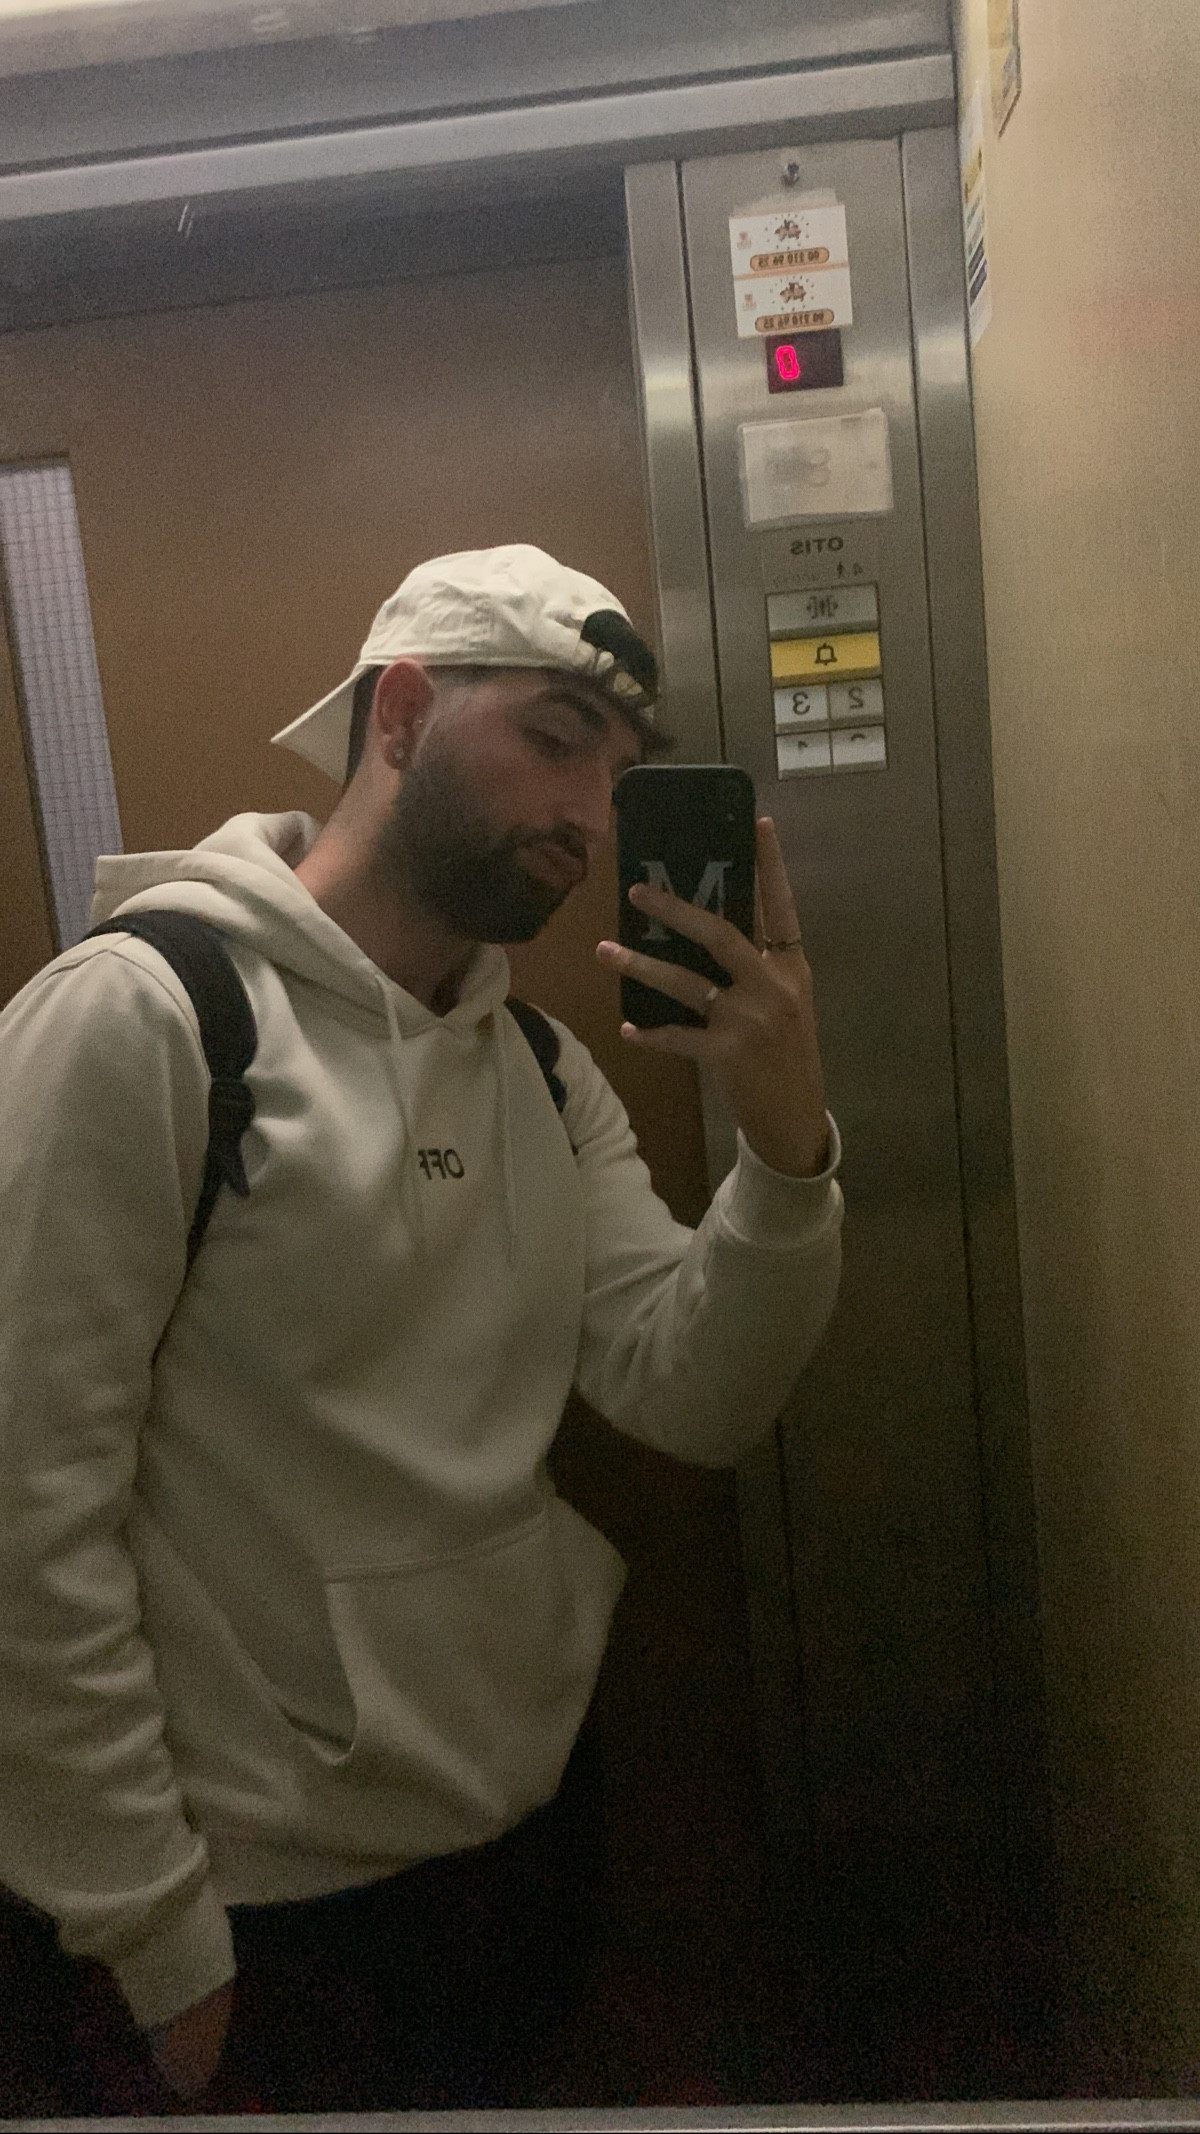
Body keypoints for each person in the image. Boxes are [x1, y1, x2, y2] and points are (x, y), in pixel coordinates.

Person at [0, 544, 842, 2111]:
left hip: (525, 1842)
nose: (591, 812)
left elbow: (695, 1390)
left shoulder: (539, 1067)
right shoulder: (143, 1018)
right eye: (554, 738)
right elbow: (22, 1514)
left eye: (620, 771)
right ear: (398, 714)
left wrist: (785, 1144)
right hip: (256, 1908)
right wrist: (149, 1933)